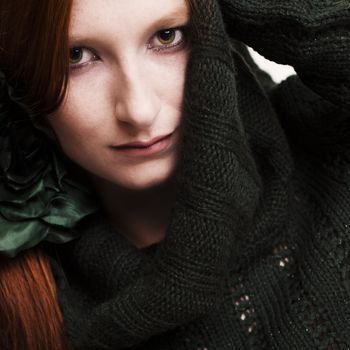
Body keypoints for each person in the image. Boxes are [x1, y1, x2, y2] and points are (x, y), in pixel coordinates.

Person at [0, 0, 349, 349]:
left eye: (167, 37)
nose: (138, 110)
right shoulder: (25, 293)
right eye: (75, 56)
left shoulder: (327, 148)